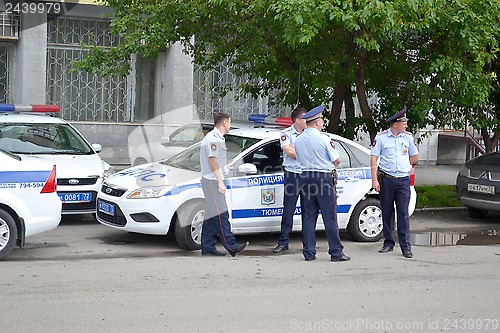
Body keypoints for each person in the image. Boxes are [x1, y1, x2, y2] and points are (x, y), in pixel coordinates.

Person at [294, 105, 350, 262]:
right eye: (322, 120)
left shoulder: (298, 140)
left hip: (305, 177)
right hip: (323, 178)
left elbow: (298, 158)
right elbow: (336, 160)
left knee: (309, 216)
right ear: (317, 122)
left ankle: (309, 252)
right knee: (329, 216)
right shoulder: (324, 139)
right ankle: (336, 252)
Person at [370, 107, 420, 258]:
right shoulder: (381, 138)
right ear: (395, 124)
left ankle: (406, 246)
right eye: (404, 123)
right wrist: (374, 180)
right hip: (387, 179)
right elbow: (373, 159)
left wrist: (404, 165)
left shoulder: (408, 138)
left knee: (403, 213)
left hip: (403, 180)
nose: (406, 125)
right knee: (387, 211)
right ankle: (388, 242)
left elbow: (415, 157)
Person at [200, 112, 248, 257]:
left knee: (211, 216)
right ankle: (231, 246)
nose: (230, 125)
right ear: (225, 123)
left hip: (212, 180)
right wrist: (221, 182)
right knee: (222, 214)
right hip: (213, 182)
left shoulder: (217, 138)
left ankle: (208, 246)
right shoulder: (213, 138)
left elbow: (217, 161)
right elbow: (212, 160)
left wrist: (226, 167)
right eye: (230, 122)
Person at [273, 107, 307, 253]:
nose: (308, 121)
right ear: (298, 120)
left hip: (307, 174)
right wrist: (307, 153)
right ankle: (284, 241)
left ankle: (308, 243)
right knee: (288, 209)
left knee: (308, 210)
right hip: (292, 175)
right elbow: (289, 151)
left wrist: (299, 152)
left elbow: (297, 152)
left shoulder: (310, 134)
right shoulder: (286, 134)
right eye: (305, 118)